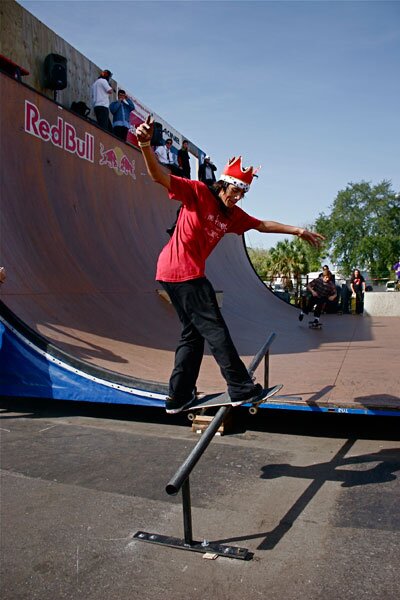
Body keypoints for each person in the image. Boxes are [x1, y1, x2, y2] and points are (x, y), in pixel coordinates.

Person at [136, 116, 324, 414]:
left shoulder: (233, 216)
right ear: (222, 185)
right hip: (180, 271)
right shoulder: (198, 193)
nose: (236, 198)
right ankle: (239, 386)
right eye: (233, 191)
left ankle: (178, 396)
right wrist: (145, 144)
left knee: (193, 334)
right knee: (214, 327)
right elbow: (159, 176)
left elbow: (262, 225)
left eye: (241, 194)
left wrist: (298, 230)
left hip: (175, 274)